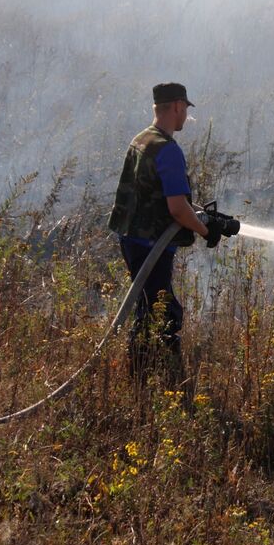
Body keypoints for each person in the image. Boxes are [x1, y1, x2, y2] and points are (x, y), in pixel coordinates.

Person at [107, 82, 215, 394]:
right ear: (178, 106)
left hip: (132, 239)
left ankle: (138, 384)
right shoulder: (168, 151)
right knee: (163, 314)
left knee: (148, 309)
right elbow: (177, 209)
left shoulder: (141, 139)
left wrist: (202, 216)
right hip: (150, 245)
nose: (185, 117)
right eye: (185, 110)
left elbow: (154, 195)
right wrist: (206, 231)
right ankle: (173, 389)